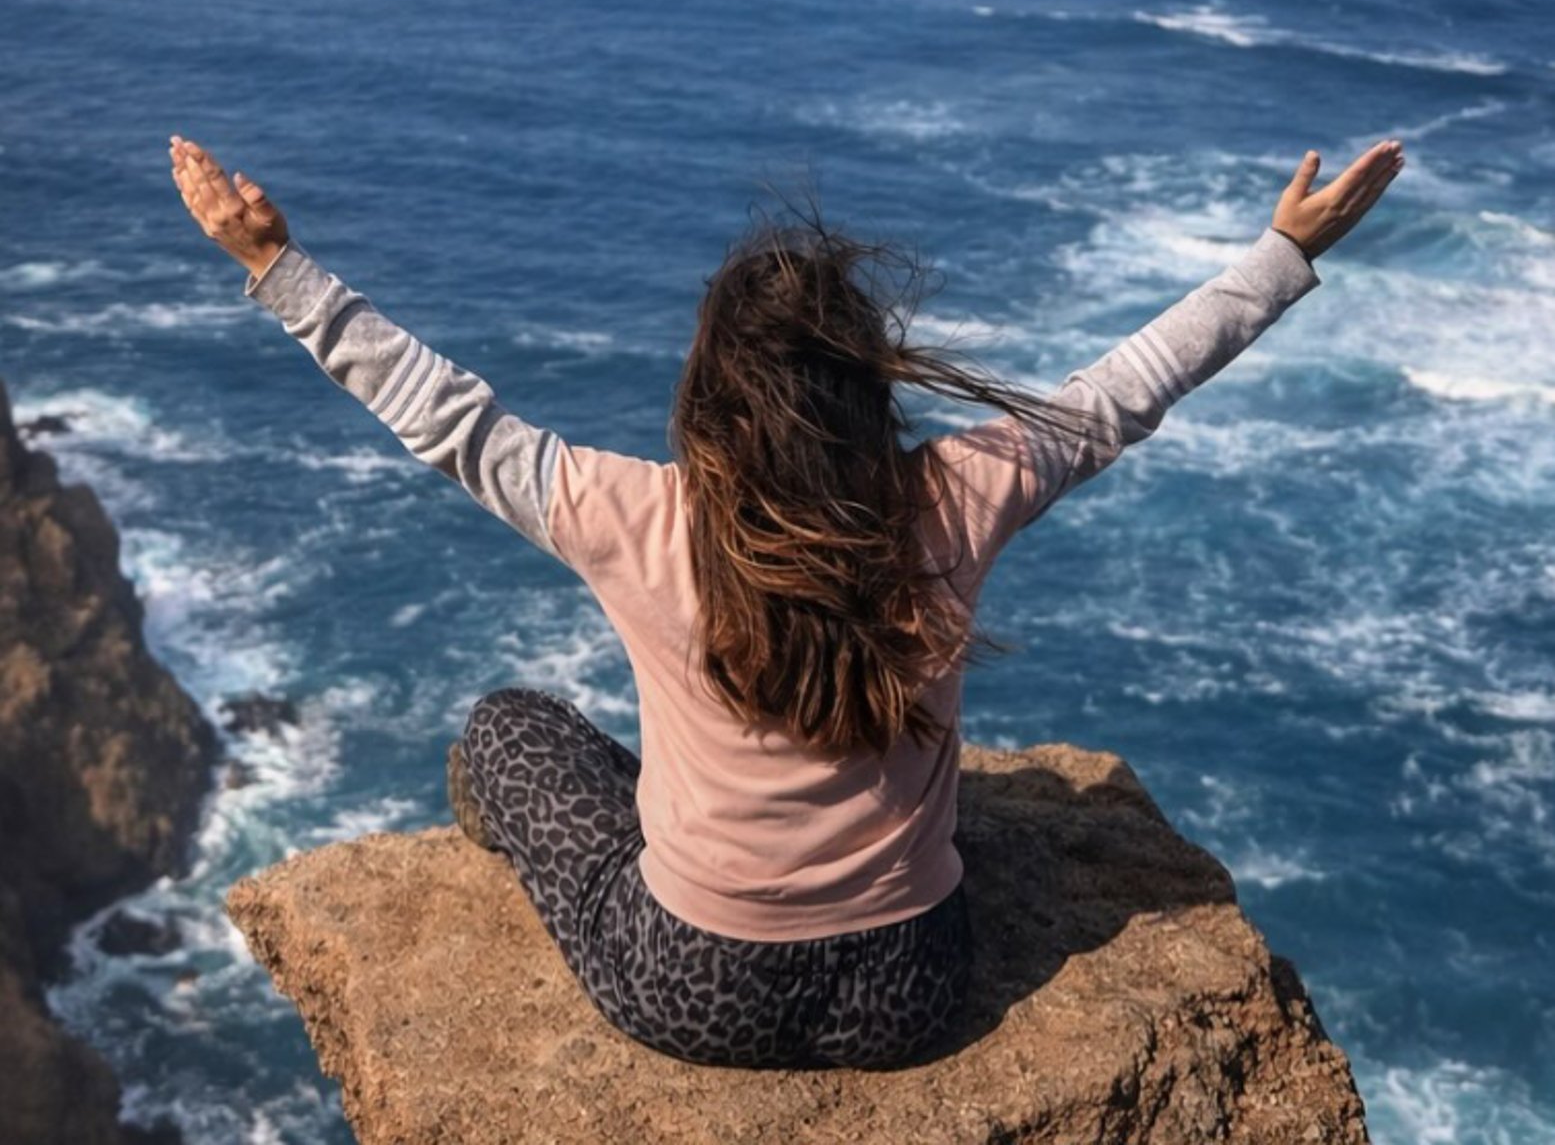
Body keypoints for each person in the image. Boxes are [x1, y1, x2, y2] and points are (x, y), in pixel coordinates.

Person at [169, 133, 1403, 1070]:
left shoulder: (635, 515)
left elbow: (454, 423)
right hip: (914, 991)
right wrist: (1282, 255)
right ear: (869, 388)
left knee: (509, 727)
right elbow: (1121, 392)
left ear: (709, 397)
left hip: (688, 985)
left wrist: (277, 265)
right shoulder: (958, 494)